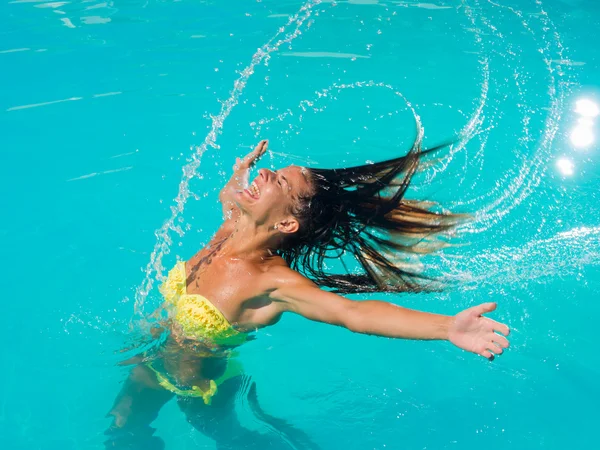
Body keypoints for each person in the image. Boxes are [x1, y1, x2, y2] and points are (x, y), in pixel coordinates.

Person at [105, 138, 510, 449]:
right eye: (272, 171)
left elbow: (353, 314)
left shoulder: (270, 282)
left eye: (278, 181)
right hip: (152, 357)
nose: (266, 174)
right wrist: (242, 171)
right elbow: (229, 192)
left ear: (286, 224)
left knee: (207, 436)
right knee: (128, 431)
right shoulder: (232, 225)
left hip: (201, 384)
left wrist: (446, 328)